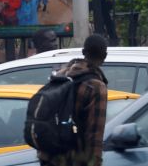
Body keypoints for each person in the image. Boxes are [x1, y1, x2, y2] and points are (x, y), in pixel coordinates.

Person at [37, 35, 109, 166]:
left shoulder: (59, 76)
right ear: (104, 56)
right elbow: (95, 137)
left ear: (83, 52)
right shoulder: (96, 87)